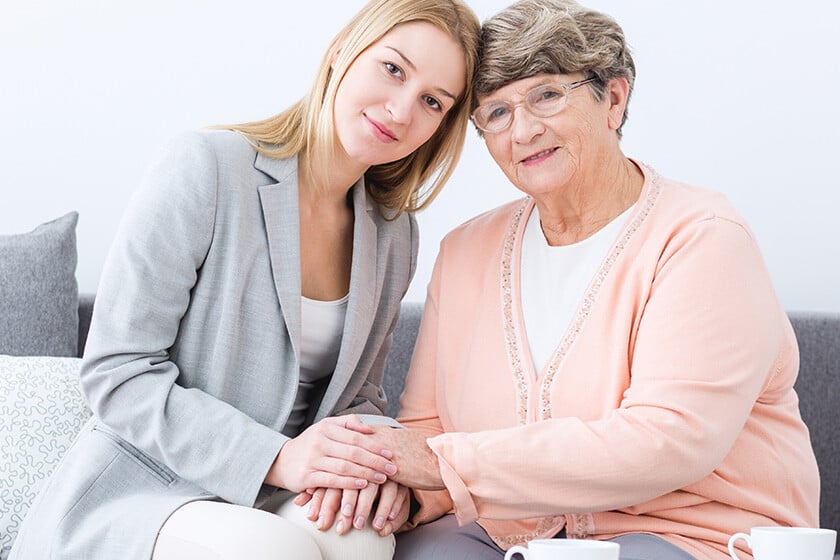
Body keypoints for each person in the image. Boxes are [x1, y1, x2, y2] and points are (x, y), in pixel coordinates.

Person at [328, 1, 819, 559]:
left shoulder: (703, 239)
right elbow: (426, 429)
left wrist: (443, 463)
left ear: (613, 98)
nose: (524, 131)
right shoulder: (464, 251)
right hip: (509, 532)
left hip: (689, 531)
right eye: (495, 113)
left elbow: (668, 441)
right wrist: (404, 496)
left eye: (546, 95)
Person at [8, 1, 479, 559]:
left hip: (277, 490)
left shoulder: (394, 234)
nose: (401, 111)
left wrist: (379, 475)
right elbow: (118, 371)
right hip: (144, 487)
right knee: (269, 550)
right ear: (341, 54)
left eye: (432, 101)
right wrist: (280, 458)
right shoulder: (205, 167)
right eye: (393, 69)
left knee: (362, 542)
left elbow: (360, 398)